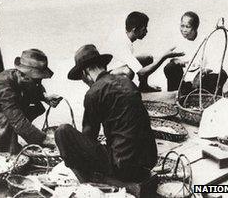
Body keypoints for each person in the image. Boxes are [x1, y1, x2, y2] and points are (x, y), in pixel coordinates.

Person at [55, 44, 157, 183]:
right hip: (149, 159)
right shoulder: (127, 81)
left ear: (85, 73)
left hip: (123, 166)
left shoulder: (93, 93)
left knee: (63, 131)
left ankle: (88, 178)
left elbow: (89, 136)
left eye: (82, 78)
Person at [0, 49, 63, 153]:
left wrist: (45, 97)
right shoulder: (4, 89)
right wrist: (44, 139)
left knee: (36, 108)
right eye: (36, 79)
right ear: (23, 75)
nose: (38, 83)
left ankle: (7, 141)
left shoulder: (17, 75)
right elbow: (17, 121)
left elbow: (35, 87)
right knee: (13, 119)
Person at [105, 11, 184, 92]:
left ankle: (144, 87)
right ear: (135, 30)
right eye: (144, 29)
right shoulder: (122, 44)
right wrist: (164, 57)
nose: (146, 32)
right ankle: (120, 94)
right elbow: (141, 72)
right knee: (128, 72)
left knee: (147, 58)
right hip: (106, 78)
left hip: (113, 69)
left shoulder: (121, 33)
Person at [164, 11, 228, 94]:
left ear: (195, 27)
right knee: (170, 67)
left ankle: (203, 96)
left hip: (202, 74)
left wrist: (200, 74)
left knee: (220, 75)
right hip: (186, 75)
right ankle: (176, 94)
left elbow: (214, 64)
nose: (184, 30)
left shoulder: (205, 41)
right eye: (182, 26)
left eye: (187, 27)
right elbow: (174, 58)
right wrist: (177, 61)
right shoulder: (179, 40)